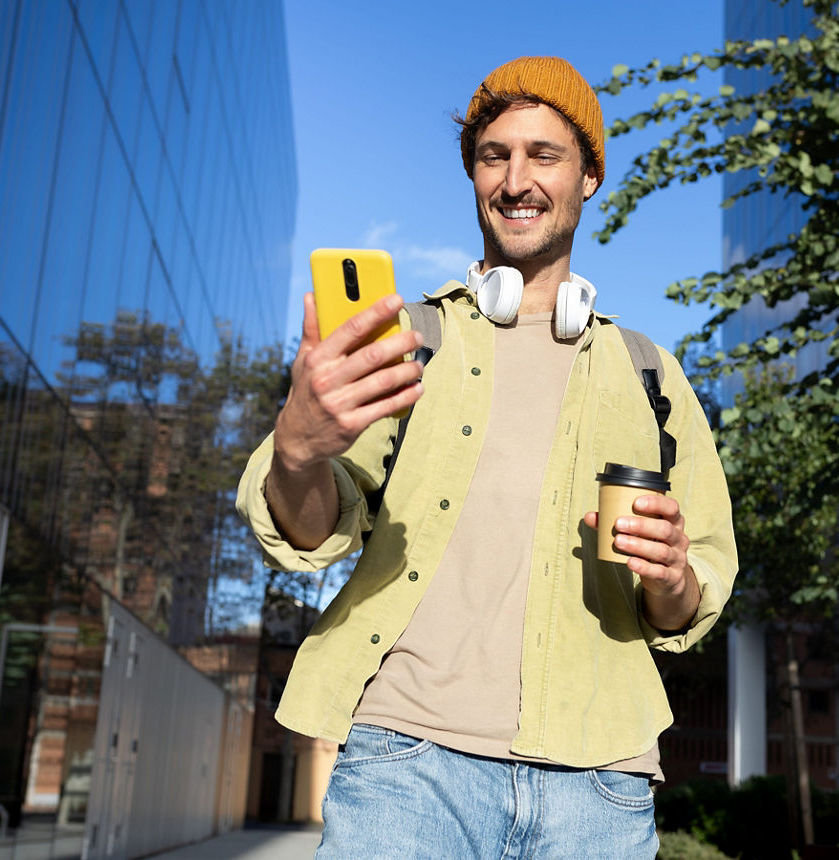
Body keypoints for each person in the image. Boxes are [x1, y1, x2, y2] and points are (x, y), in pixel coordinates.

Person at [237, 56, 738, 858]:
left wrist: (673, 577)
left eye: (544, 155)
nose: (516, 179)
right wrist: (297, 452)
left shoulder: (651, 376)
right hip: (407, 766)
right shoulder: (409, 345)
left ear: (590, 178)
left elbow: (690, 602)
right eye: (493, 156)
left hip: (600, 784)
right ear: (474, 175)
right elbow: (307, 534)